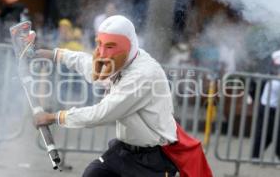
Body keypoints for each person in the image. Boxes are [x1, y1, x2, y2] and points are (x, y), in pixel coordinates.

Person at [33, 15, 213, 177]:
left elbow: (102, 113)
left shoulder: (142, 74)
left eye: (110, 46)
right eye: (99, 44)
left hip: (152, 160)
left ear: (129, 44)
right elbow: (89, 65)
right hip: (124, 149)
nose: (102, 53)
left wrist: (54, 117)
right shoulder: (126, 59)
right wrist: (54, 54)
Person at [252, 50, 280, 159]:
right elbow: (272, 68)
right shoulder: (276, 56)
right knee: (264, 133)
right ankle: (255, 156)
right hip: (267, 106)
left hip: (275, 106)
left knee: (275, 133)